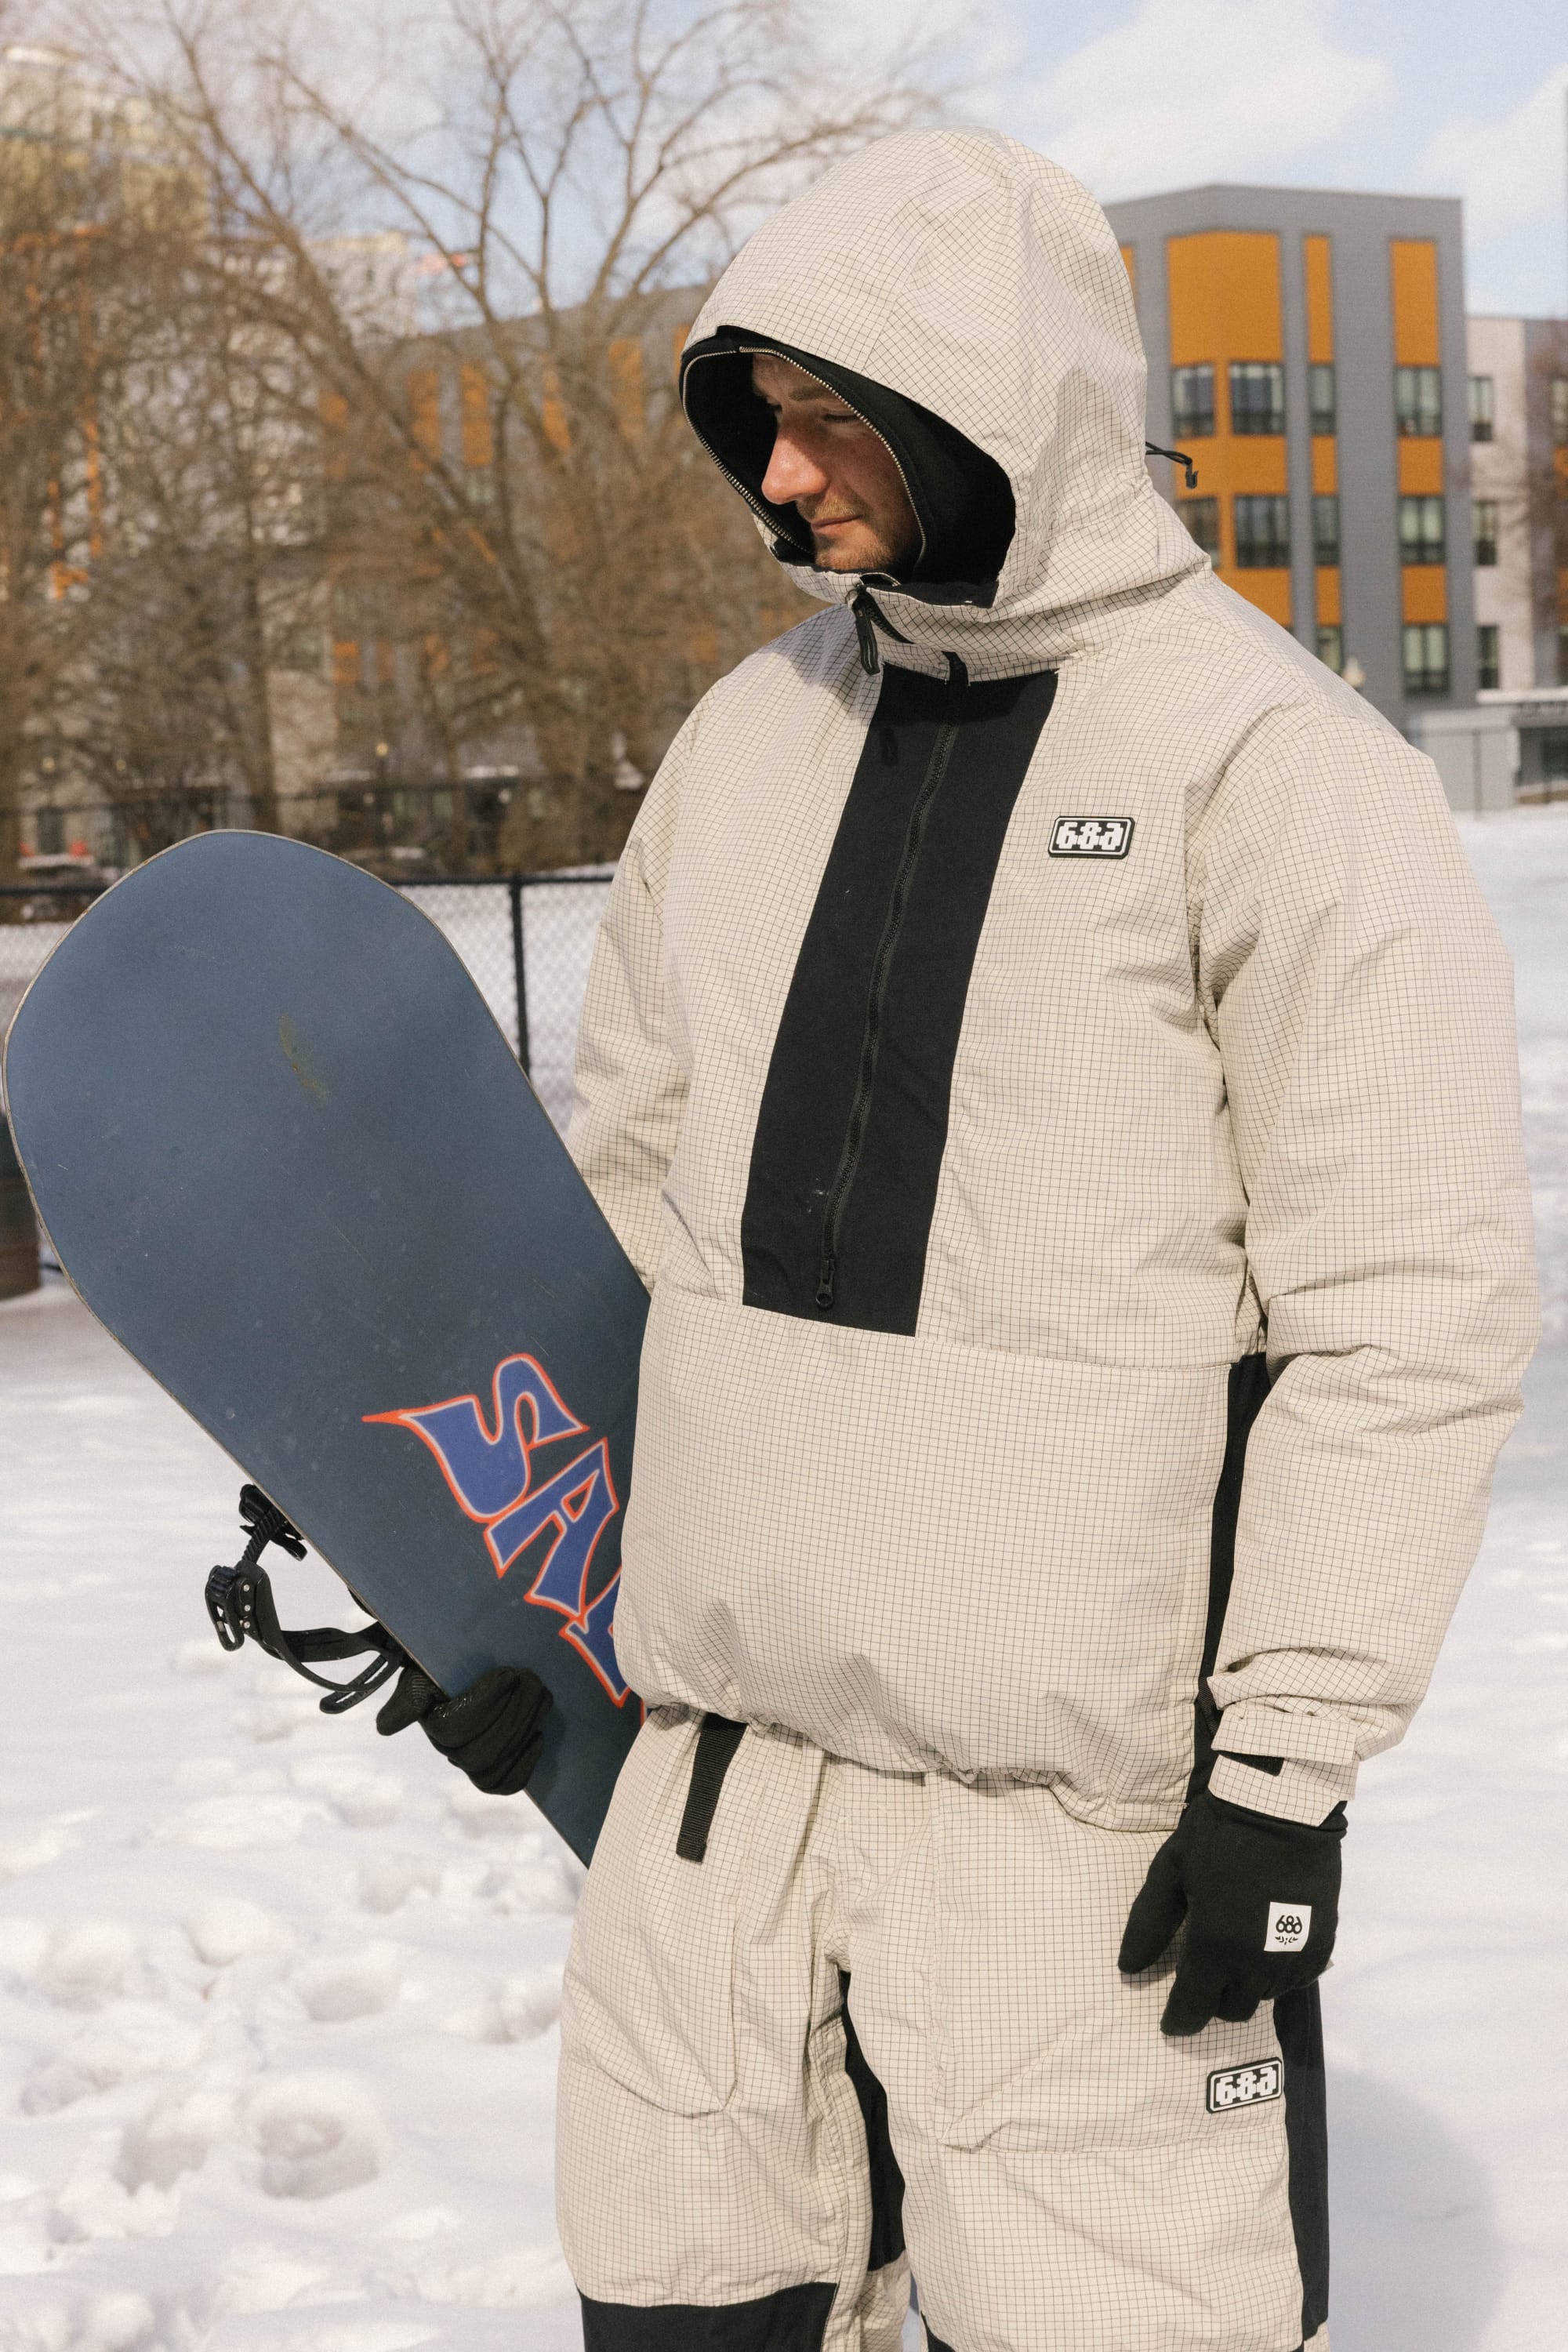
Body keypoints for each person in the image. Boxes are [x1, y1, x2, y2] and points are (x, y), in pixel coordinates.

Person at [412, 128, 1539, 2350]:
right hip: (725, 1802)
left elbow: (1403, 1315)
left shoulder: (1273, 772)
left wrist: (1283, 1772)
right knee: (678, 2315)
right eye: (761, 427)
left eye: (834, 424)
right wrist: (510, 1590)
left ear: (984, 406)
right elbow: (631, 1203)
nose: (785, 484)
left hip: (1077, 1833)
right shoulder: (745, 747)